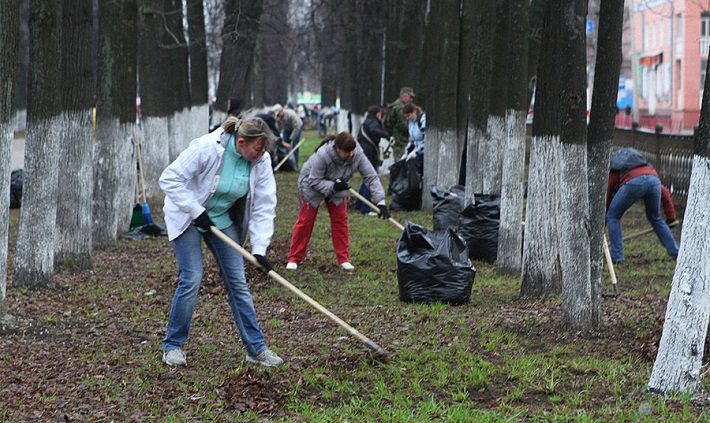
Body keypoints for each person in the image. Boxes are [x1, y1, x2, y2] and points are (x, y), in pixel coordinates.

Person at [159, 116, 284, 368]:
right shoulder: (207, 148)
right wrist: (195, 210)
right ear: (240, 142)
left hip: (219, 219)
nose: (261, 155)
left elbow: (263, 205)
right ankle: (172, 345)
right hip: (187, 215)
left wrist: (259, 249)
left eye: (264, 149)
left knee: (237, 281)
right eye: (258, 149)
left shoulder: (261, 161)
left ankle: (256, 348)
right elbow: (169, 178)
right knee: (192, 277)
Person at [286, 132, 390, 271]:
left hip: (339, 183)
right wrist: (332, 186)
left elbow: (370, 177)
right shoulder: (323, 155)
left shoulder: (357, 153)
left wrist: (380, 202)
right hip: (311, 185)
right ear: (337, 149)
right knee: (306, 221)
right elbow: (314, 180)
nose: (351, 154)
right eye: (347, 152)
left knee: (340, 221)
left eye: (352, 150)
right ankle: (294, 258)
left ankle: (343, 259)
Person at [606, 147, 679, 264]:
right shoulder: (648, 170)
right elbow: (665, 193)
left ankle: (617, 256)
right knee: (655, 217)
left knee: (613, 216)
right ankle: (676, 253)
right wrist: (671, 217)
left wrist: (605, 217)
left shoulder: (615, 169)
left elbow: (608, 192)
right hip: (654, 183)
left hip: (632, 184)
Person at [355, 106, 390, 214]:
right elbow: (374, 130)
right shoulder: (373, 121)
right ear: (378, 113)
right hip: (369, 152)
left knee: (367, 178)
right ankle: (365, 208)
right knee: (370, 178)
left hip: (365, 150)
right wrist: (386, 135)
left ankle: (360, 204)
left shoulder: (368, 120)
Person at [386, 87, 416, 160]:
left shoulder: (397, 106)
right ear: (404, 96)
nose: (411, 100)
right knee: (401, 164)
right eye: (410, 97)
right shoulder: (400, 109)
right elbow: (404, 126)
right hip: (401, 142)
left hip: (399, 141)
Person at [402, 103, 426, 167]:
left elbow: (426, 140)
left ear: (414, 111)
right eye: (405, 117)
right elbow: (412, 140)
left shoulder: (422, 120)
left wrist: (416, 152)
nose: (407, 118)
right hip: (417, 150)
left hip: (424, 152)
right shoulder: (411, 123)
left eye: (408, 115)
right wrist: (407, 153)